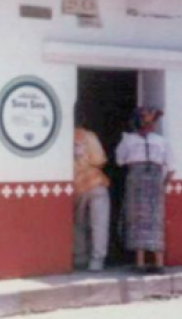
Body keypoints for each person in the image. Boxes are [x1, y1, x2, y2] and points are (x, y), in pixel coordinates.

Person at [116, 107, 175, 274]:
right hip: (153, 182)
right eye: (149, 122)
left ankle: (143, 262)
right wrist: (162, 185)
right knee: (153, 219)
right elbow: (171, 168)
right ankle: (156, 263)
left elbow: (120, 161)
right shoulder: (161, 141)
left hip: (136, 180)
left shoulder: (128, 140)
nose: (152, 125)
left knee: (138, 219)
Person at [72, 107, 111, 272]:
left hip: (76, 187)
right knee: (99, 224)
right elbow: (100, 160)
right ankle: (97, 261)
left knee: (78, 224)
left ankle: (80, 258)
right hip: (96, 184)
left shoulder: (61, 139)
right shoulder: (90, 136)